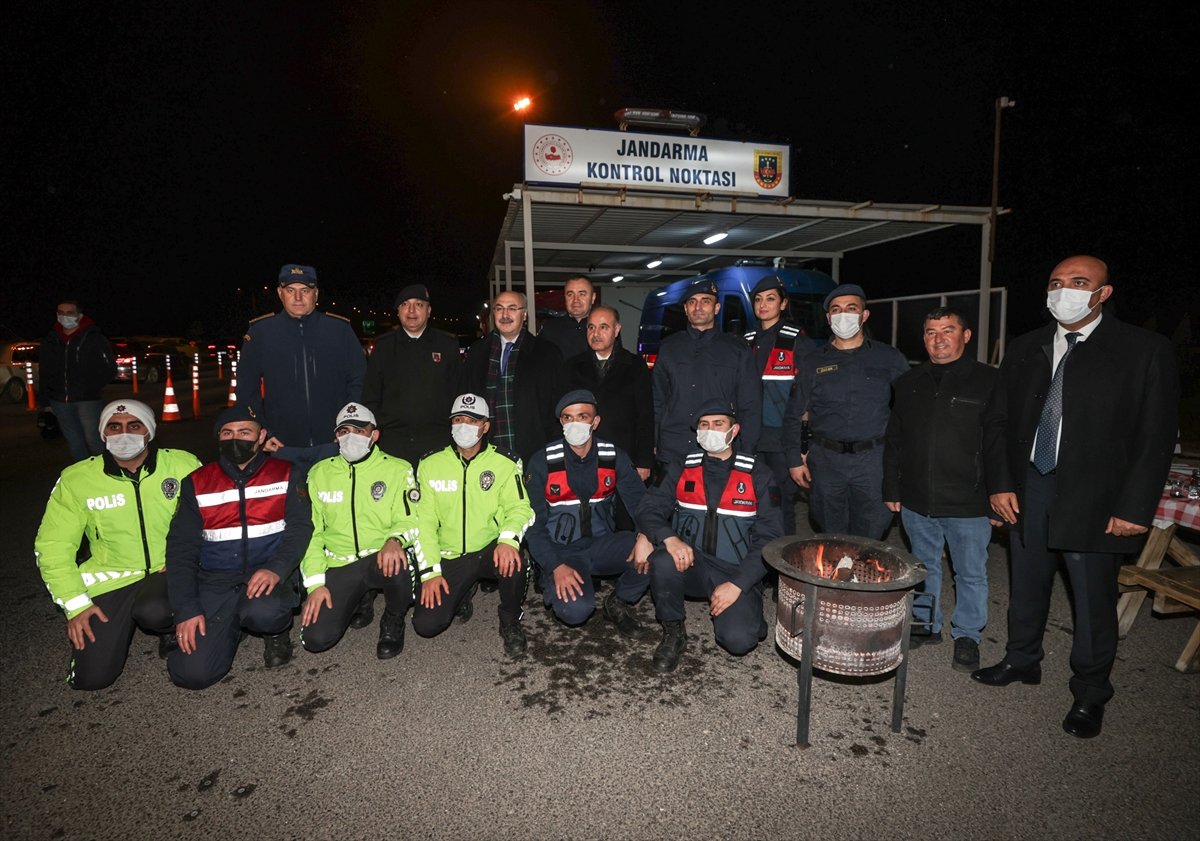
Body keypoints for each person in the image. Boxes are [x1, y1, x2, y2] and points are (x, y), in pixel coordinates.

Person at [974, 255, 1179, 739]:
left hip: (1097, 498)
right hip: (1030, 487)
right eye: (1056, 282)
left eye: (1079, 282)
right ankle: (1022, 660)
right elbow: (998, 422)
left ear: (1103, 293)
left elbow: (1155, 437)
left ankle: (1090, 692)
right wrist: (1000, 484)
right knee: (1025, 586)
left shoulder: (1143, 349)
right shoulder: (1026, 348)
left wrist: (1134, 508)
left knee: (1091, 601)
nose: (1063, 290)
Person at [33, 400, 200, 689]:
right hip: (112, 578)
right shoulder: (77, 480)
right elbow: (53, 545)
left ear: (149, 431)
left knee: (155, 611)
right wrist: (75, 604)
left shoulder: (183, 465)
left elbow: (213, 520)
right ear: (103, 433)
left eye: (134, 425)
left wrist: (192, 562)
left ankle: (168, 627)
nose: (124, 434)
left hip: (168, 570)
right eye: (114, 426)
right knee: (92, 679)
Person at [882, 307, 1000, 673]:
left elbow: (1000, 443)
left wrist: (1000, 496)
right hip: (917, 500)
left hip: (970, 501)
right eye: (931, 332)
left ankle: (967, 635)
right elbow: (895, 440)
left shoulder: (990, 381)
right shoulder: (908, 383)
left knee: (970, 572)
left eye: (948, 330)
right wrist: (892, 485)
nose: (939, 338)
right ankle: (925, 625)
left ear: (965, 336)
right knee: (923, 566)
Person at [165, 404, 314, 689]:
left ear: (261, 437)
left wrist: (277, 569)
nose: (236, 438)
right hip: (215, 580)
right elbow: (181, 548)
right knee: (192, 675)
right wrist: (185, 608)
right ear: (218, 437)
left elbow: (300, 529)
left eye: (245, 432)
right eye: (227, 432)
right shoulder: (196, 483)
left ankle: (274, 633)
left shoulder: (287, 474)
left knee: (265, 613)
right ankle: (229, 628)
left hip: (267, 573)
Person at [636, 400, 783, 672]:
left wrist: (738, 584)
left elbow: (771, 538)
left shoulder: (759, 474)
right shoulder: (679, 466)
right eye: (704, 424)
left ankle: (749, 608)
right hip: (690, 562)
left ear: (734, 430)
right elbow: (649, 508)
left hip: (734, 569)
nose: (710, 429)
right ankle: (673, 633)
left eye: (718, 424)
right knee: (662, 559)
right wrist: (667, 537)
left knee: (739, 640)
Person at [782, 283, 909, 539]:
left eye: (851, 308)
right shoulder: (813, 361)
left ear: (864, 315)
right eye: (836, 310)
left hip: (873, 461)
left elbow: (911, 406)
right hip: (827, 460)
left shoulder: (889, 357)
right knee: (830, 531)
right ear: (828, 318)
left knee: (872, 530)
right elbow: (794, 414)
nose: (843, 315)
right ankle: (836, 576)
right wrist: (795, 460)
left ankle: (864, 576)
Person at [412, 394, 536, 656]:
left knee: (515, 560)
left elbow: (520, 508)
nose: (464, 425)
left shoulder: (505, 462)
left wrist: (507, 540)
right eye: (458, 419)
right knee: (426, 624)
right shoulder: (430, 463)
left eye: (472, 420)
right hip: (449, 553)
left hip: (488, 547)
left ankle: (510, 619)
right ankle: (463, 591)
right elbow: (423, 522)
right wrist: (430, 572)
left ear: (485, 426)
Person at [299, 403, 424, 660]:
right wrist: (315, 584)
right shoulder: (319, 474)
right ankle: (361, 597)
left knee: (400, 562)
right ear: (335, 437)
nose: (350, 436)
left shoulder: (398, 469)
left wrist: (395, 539)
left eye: (359, 429)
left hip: (380, 558)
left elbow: (411, 518)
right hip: (338, 562)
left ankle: (393, 617)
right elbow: (309, 534)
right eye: (344, 430)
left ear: (374, 434)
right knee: (315, 639)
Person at [525, 389, 651, 638]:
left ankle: (617, 602)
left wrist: (645, 536)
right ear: (561, 422)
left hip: (603, 544)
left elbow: (642, 504)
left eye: (582, 416)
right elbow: (532, 524)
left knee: (659, 552)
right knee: (575, 611)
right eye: (567, 417)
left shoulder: (613, 456)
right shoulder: (543, 462)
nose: (575, 423)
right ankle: (547, 576)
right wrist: (554, 564)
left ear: (595, 422)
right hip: (562, 550)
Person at [236, 264, 367, 480]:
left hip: (332, 444)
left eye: (305, 290)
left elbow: (358, 380)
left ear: (316, 294)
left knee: (334, 508)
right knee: (288, 511)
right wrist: (263, 431)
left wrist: (349, 425)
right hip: (282, 447)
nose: (298, 297)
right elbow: (246, 388)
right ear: (280, 293)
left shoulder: (339, 330)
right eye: (290, 290)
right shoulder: (261, 332)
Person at [555, 306, 655, 530]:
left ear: (617, 330)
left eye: (603, 327)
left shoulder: (635, 366)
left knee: (625, 519)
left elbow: (646, 416)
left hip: (625, 455)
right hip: (583, 456)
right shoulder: (572, 367)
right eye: (591, 327)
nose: (596, 333)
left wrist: (644, 460)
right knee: (590, 518)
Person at [652, 278, 761, 471]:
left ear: (717, 308)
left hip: (719, 449)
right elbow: (657, 400)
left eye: (706, 301)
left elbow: (750, 404)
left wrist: (747, 450)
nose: (698, 307)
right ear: (685, 309)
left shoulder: (737, 350)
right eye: (692, 302)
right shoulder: (669, 347)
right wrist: (652, 442)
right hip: (673, 449)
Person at [743, 275, 815, 535]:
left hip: (781, 443)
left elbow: (809, 401)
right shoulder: (745, 342)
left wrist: (803, 447)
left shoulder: (798, 343)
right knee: (750, 506)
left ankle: (782, 570)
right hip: (748, 440)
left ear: (783, 304)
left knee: (781, 507)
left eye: (770, 299)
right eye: (758, 299)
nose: (763, 304)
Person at [361, 283, 461, 466]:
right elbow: (371, 396)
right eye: (405, 304)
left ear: (429, 311)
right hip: (393, 443)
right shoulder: (383, 347)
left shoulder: (447, 345)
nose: (412, 310)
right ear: (398, 311)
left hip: (438, 441)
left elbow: (457, 392)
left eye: (419, 304)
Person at [460, 290, 562, 464]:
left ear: (524, 314)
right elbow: (467, 399)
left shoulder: (547, 354)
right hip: (486, 452)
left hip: (534, 452)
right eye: (500, 309)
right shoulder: (478, 352)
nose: (505, 315)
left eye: (512, 309)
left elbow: (557, 406)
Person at [38, 299, 117, 463]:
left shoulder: (93, 337)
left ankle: (105, 473)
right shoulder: (51, 340)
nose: (65, 316)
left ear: (79, 315)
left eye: (69, 312)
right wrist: (46, 402)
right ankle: (83, 476)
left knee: (94, 439)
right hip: (59, 401)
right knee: (74, 442)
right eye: (61, 313)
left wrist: (91, 386)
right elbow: (44, 371)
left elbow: (109, 369)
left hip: (87, 400)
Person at [537, 276, 596, 360]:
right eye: (570, 294)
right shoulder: (549, 329)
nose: (576, 300)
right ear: (565, 298)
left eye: (582, 294)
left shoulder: (605, 329)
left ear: (593, 298)